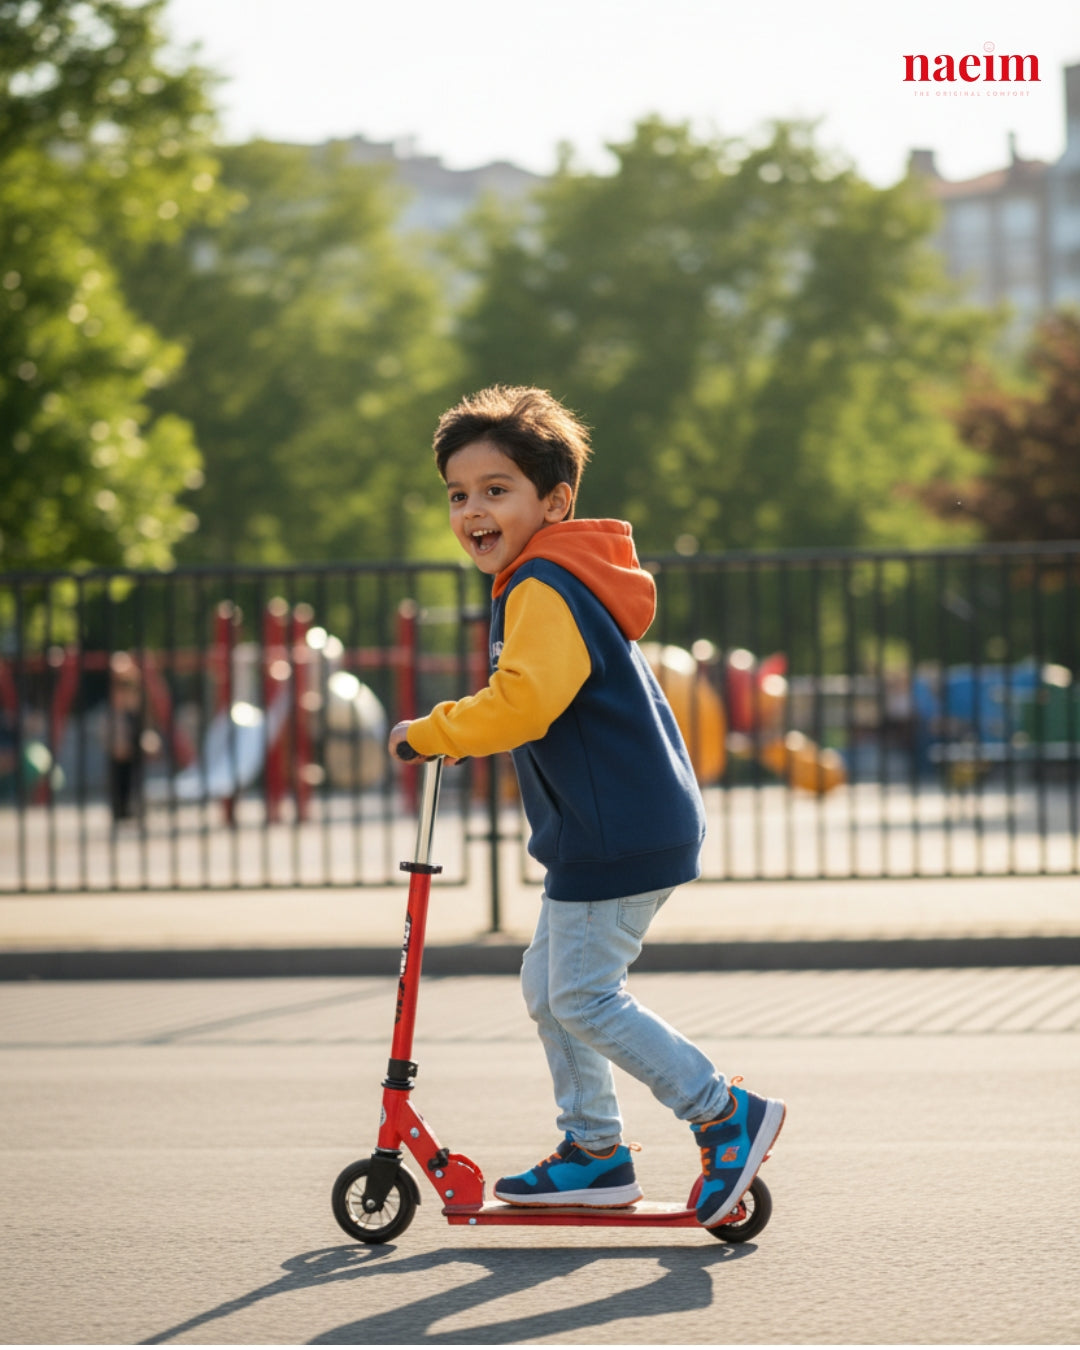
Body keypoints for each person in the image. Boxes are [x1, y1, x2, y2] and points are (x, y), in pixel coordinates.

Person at [388, 385, 785, 1229]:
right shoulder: (549, 580)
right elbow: (530, 696)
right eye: (459, 495)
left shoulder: (544, 585)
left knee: (581, 995)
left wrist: (433, 730)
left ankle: (722, 1113)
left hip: (618, 829)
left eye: (498, 490)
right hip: (608, 827)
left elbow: (523, 703)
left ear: (554, 501)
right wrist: (455, 730)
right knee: (551, 986)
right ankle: (594, 1154)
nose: (473, 511)